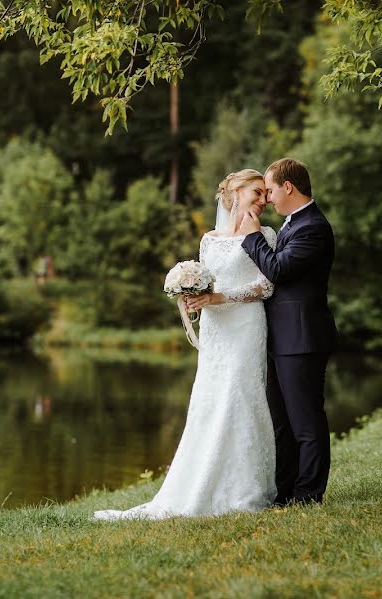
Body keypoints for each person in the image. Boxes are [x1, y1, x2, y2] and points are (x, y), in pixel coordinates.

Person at [93, 169, 278, 520]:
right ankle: (197, 484)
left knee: (241, 397)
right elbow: (207, 282)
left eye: (265, 195)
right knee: (209, 401)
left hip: (246, 327)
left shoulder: (265, 234)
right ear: (235, 193)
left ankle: (245, 489)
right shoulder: (209, 239)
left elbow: (265, 287)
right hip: (215, 330)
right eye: (257, 192)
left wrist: (218, 296)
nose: (263, 200)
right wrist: (190, 296)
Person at [238, 158, 337, 506]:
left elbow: (278, 270)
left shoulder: (314, 227)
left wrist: (252, 239)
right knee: (281, 423)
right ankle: (285, 494)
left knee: (306, 422)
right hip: (282, 339)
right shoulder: (292, 225)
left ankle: (308, 495)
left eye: (270, 190)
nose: (267, 198)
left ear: (288, 187)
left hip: (303, 338)